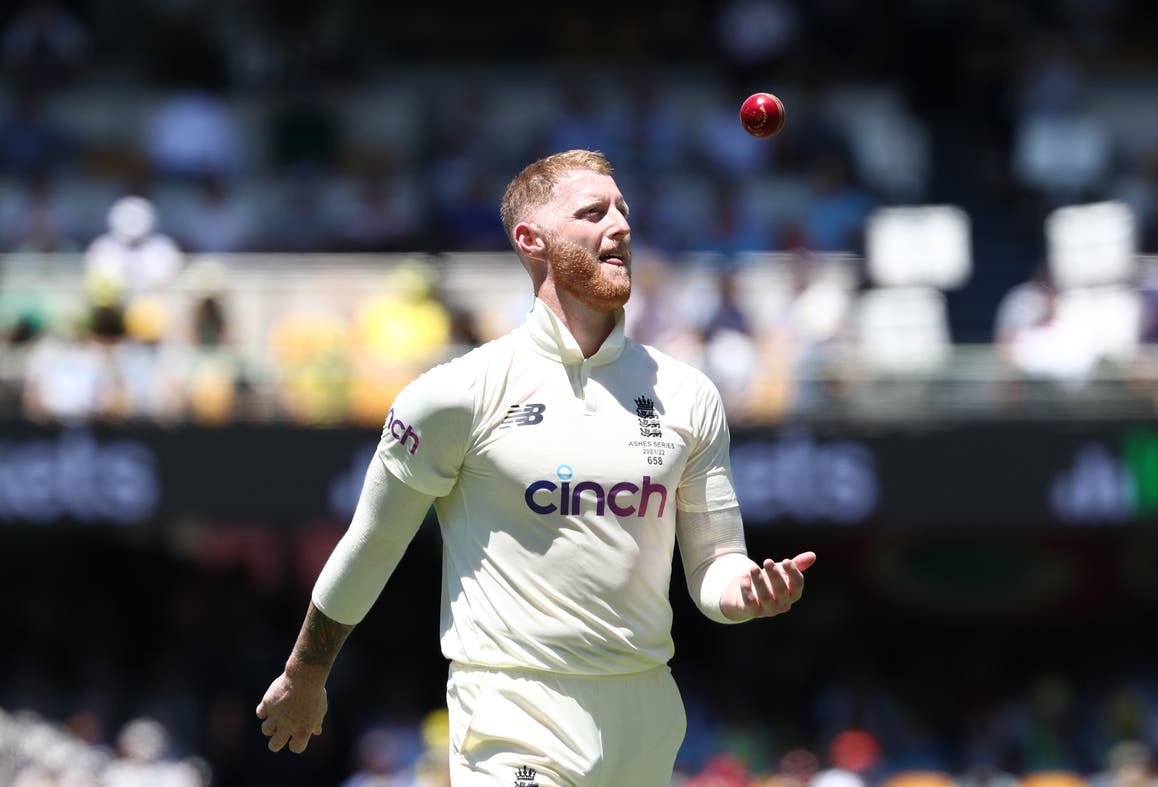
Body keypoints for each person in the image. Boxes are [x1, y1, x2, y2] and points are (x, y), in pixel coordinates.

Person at [255, 149, 817, 785]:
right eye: (593, 213)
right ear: (531, 240)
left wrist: (744, 591)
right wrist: (305, 673)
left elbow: (715, 564)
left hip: (645, 717)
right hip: (513, 714)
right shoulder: (455, 394)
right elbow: (373, 544)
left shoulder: (688, 394)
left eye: (623, 210)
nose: (621, 225)